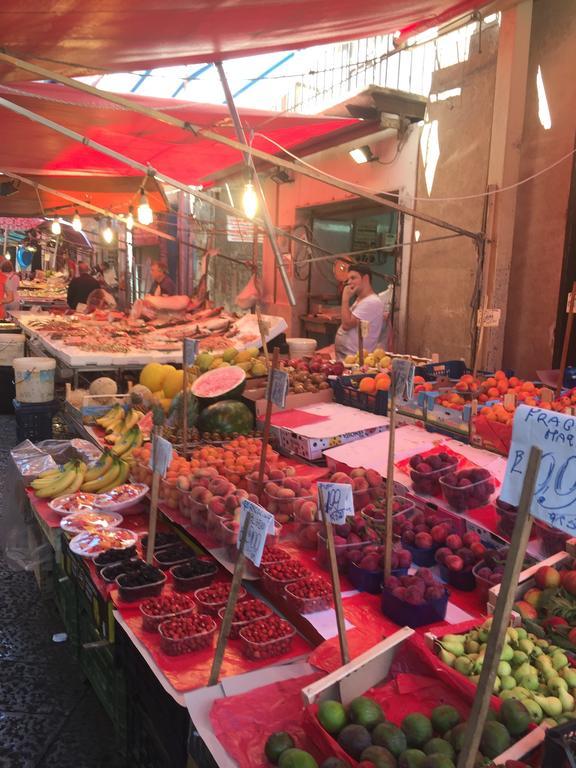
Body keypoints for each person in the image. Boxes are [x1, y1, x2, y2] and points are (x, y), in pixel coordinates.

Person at [334, 263, 386, 360]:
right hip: (347, 357)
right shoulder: (360, 299)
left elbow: (346, 324)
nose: (349, 282)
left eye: (353, 278)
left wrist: (345, 299)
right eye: (348, 279)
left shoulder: (372, 301)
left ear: (365, 278)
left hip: (355, 359)